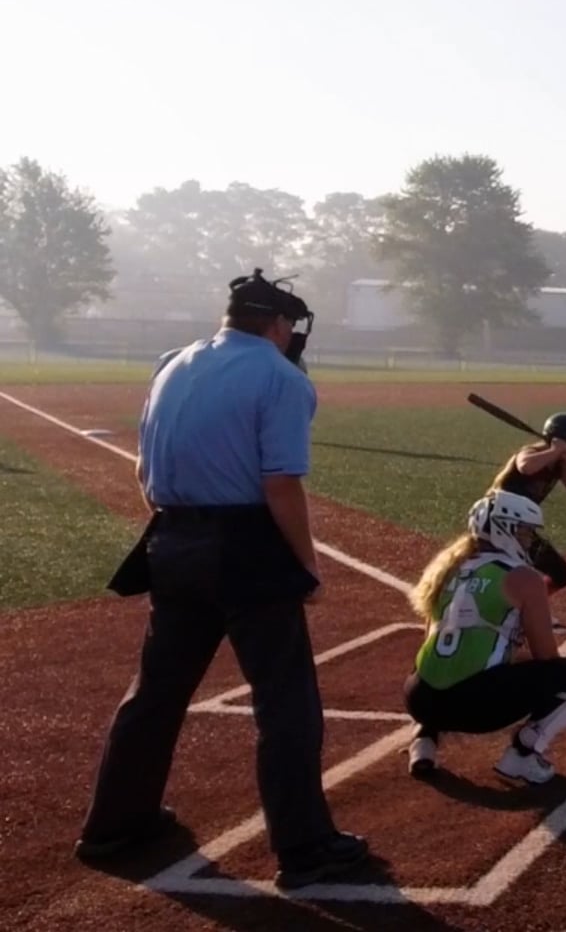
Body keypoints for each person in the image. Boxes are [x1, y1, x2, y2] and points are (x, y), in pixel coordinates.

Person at [76, 269, 369, 889]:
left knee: (155, 695)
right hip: (246, 547)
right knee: (285, 701)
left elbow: (145, 469)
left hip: (170, 540)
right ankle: (305, 846)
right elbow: (280, 482)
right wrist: (307, 565)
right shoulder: (280, 377)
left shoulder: (171, 362)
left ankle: (115, 825)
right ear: (279, 324)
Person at [402, 491, 566, 782]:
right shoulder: (524, 578)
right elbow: (546, 657)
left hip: (419, 699)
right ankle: (522, 755)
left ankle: (424, 739)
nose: (530, 540)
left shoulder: (445, 569)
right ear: (503, 529)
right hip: (475, 707)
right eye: (525, 532)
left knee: (438, 658)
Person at [488, 412, 566, 594]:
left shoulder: (560, 465)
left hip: (521, 528)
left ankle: (528, 604)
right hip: (496, 521)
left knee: (562, 575)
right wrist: (555, 451)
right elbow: (526, 467)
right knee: (504, 571)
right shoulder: (531, 451)